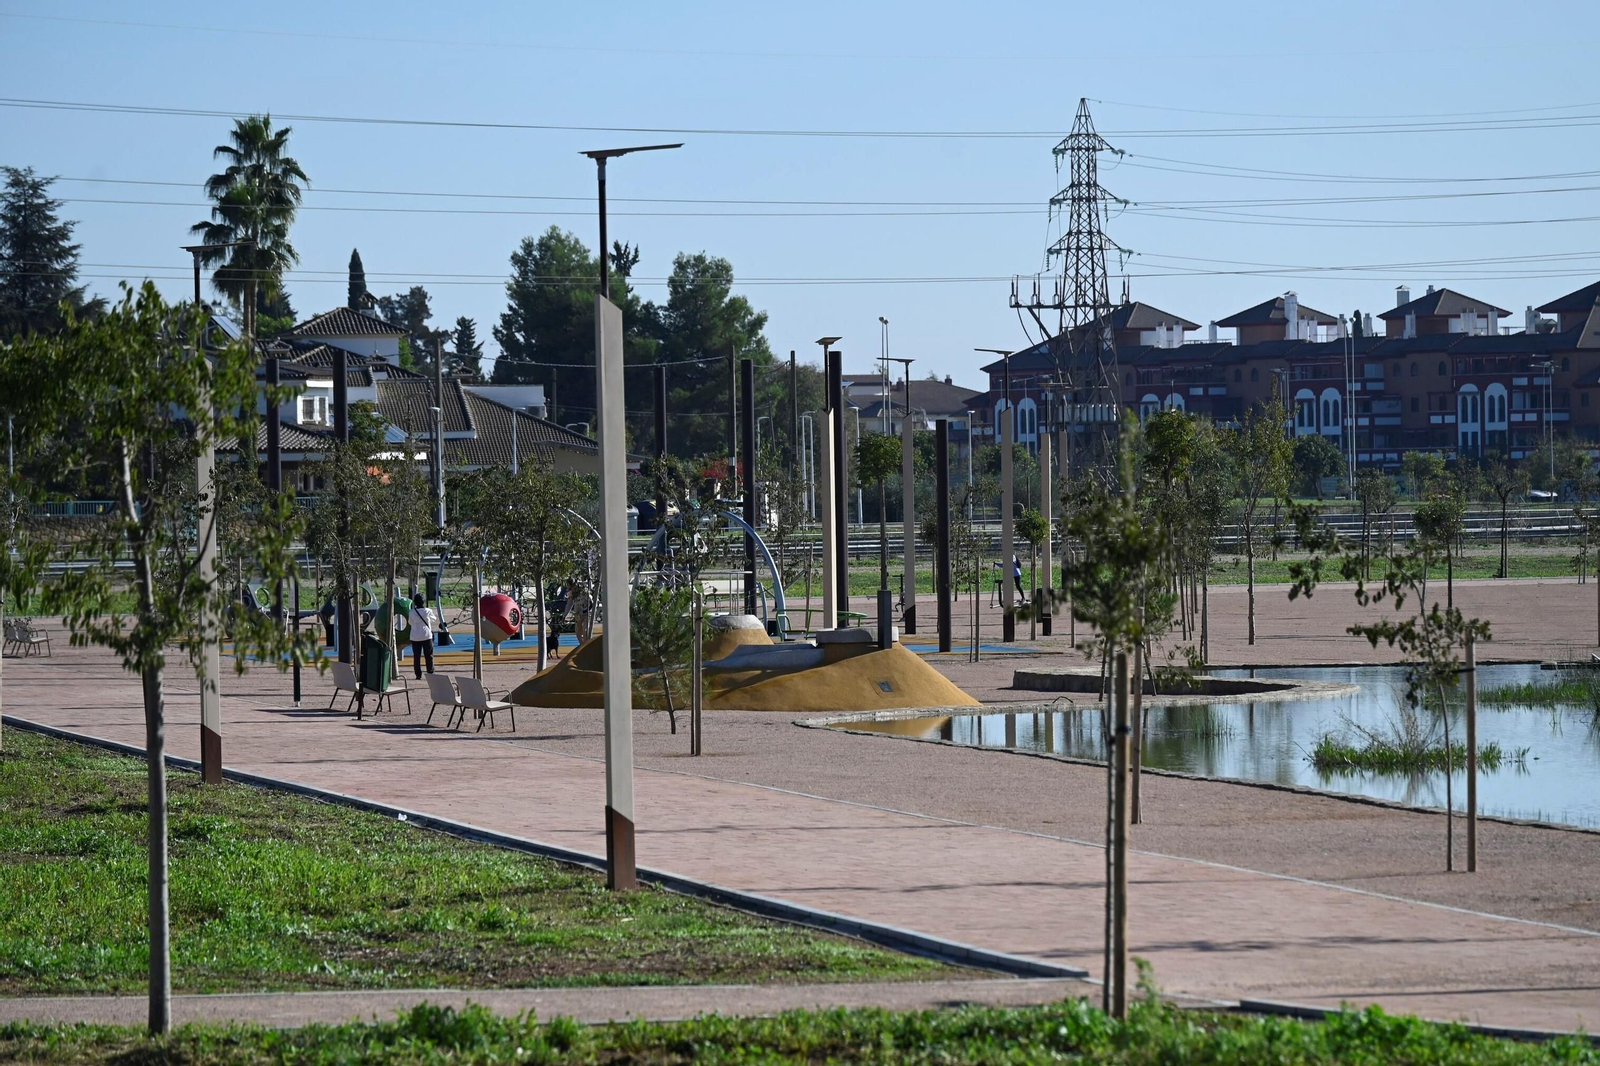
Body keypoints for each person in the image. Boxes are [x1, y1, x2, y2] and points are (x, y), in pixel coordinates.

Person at [408, 595, 437, 679]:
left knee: (416, 657)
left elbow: (410, 622)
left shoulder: (411, 612)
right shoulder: (428, 611)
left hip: (415, 636)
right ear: (423, 601)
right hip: (426, 635)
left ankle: (418, 674)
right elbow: (433, 619)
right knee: (429, 655)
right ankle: (430, 671)